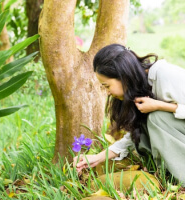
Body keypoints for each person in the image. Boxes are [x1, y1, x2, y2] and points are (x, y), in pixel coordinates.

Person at [73, 44, 185, 185]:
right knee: (145, 125)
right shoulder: (138, 88)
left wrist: (160, 105)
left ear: (123, 75)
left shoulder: (165, 75)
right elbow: (133, 137)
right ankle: (166, 176)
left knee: (157, 117)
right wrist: (98, 158)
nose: (107, 92)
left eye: (107, 86)